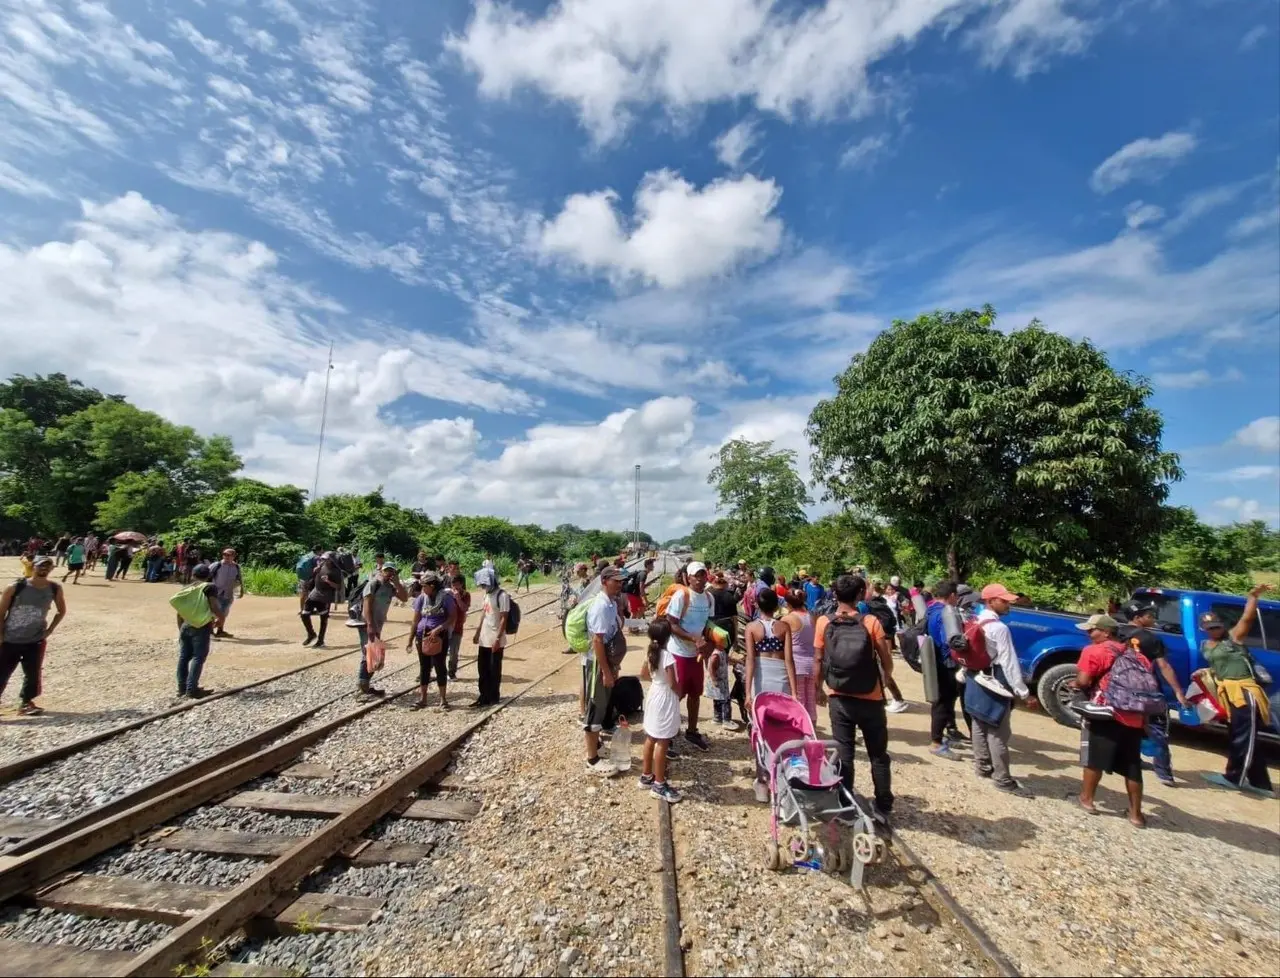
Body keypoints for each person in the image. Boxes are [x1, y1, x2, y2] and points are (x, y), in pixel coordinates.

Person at [812, 574, 894, 821]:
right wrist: (886, 678)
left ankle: (846, 807)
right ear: (859, 595)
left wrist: (818, 688)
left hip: (839, 696)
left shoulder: (824, 622)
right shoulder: (871, 622)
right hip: (871, 696)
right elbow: (885, 658)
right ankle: (883, 806)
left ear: (834, 595)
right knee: (878, 754)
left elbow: (818, 659)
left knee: (844, 752)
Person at [1074, 612, 1151, 826]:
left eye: (1092, 630)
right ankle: (1135, 814)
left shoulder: (1094, 651)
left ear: (1106, 632)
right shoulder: (1140, 657)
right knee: (1132, 766)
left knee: (1094, 759)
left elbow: (1083, 681)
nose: (1089, 634)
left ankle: (1087, 800)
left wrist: (1076, 685)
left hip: (1105, 712)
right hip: (1134, 715)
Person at [1202, 584, 1275, 794]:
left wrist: (1253, 597)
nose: (1215, 629)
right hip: (1229, 693)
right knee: (1243, 735)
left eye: (1217, 626)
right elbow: (1219, 668)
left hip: (1244, 691)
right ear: (1204, 629)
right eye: (1210, 627)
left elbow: (1247, 619)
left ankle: (1234, 777)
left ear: (1222, 625)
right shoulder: (1206, 646)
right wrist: (1205, 673)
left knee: (1243, 736)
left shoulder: (1233, 639)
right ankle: (1261, 784)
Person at [964, 583, 1034, 796]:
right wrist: (1023, 692)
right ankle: (1003, 778)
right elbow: (1009, 662)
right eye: (1003, 601)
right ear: (991, 601)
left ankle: (982, 766)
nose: (1008, 604)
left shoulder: (974, 621)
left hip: (974, 678)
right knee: (998, 732)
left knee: (978, 722)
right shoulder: (999, 628)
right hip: (995, 682)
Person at [1119, 600, 1190, 787]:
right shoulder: (1151, 639)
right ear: (1137, 618)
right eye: (1149, 615)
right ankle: (1164, 773)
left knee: (1127, 725)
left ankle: (1131, 760)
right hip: (1148, 691)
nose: (1153, 618)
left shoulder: (1116, 634)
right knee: (1157, 730)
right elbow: (1164, 666)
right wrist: (1178, 692)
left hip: (1121, 690)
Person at [0, 556, 67, 715]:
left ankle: (26, 703)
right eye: (40, 566)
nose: (43, 569)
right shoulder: (16, 587)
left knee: (33, 674)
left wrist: (50, 630)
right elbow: (1, 613)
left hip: (35, 640)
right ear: (33, 566)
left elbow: (61, 610)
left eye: (47, 566)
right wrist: (1, 636)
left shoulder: (54, 588)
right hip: (10, 639)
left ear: (52, 569)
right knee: (2, 672)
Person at [665, 561, 715, 752]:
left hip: (696, 654)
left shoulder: (709, 598)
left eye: (703, 574)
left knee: (695, 694)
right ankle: (666, 734)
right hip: (678, 652)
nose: (701, 579)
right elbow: (671, 624)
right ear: (689, 577)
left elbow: (710, 624)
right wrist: (693, 638)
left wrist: (710, 643)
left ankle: (692, 732)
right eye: (697, 575)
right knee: (676, 694)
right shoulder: (682, 596)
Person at [584, 564, 627, 775]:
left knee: (602, 705)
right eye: (615, 581)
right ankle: (591, 760)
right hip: (598, 663)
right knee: (595, 707)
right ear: (604, 581)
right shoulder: (600, 606)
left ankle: (598, 747)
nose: (619, 584)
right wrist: (606, 671)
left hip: (607, 663)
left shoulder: (611, 603)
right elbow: (598, 641)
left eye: (621, 581)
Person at [926, 580, 970, 759]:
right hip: (946, 664)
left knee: (945, 701)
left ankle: (945, 735)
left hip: (935, 662)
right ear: (952, 596)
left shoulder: (931, 610)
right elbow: (950, 642)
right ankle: (936, 743)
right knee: (942, 703)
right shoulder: (946, 614)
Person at [640, 618, 682, 802]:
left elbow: (643, 674)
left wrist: (658, 681)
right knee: (663, 740)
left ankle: (646, 775)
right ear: (669, 636)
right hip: (665, 696)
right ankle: (659, 783)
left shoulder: (650, 652)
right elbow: (673, 683)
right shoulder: (668, 656)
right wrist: (679, 693)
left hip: (654, 693)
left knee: (651, 736)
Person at [355, 563, 408, 697]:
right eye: (387, 571)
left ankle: (365, 684)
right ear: (382, 571)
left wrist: (397, 583)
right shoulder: (374, 584)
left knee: (373, 652)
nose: (389, 573)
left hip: (377, 624)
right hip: (367, 624)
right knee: (369, 651)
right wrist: (370, 625)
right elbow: (366, 605)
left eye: (392, 572)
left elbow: (404, 598)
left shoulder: (389, 587)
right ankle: (363, 686)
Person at [409, 572, 455, 710]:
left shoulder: (446, 598)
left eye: (425, 586)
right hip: (421, 635)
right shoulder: (422, 599)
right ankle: (423, 698)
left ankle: (443, 699)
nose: (422, 589)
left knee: (439, 665)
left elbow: (452, 618)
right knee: (424, 667)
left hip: (439, 636)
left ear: (432, 586)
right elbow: (415, 619)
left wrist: (438, 629)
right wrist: (410, 639)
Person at [744, 588, 797, 707]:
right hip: (781, 677)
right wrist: (794, 692)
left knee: (760, 718)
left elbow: (750, 660)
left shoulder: (751, 627)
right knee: (780, 717)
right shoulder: (784, 627)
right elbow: (789, 660)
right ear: (776, 606)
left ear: (757, 605)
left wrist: (747, 693)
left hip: (761, 678)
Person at [174, 564, 221, 698]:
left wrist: (181, 629)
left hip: (185, 625)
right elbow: (214, 607)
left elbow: (179, 613)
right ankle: (192, 689)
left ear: (193, 574)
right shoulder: (209, 587)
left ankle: (181, 688)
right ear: (208, 575)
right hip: (201, 626)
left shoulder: (187, 588)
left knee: (184, 657)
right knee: (198, 657)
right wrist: (221, 619)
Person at [471, 567, 510, 707]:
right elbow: (484, 613)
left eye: (484, 584)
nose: (483, 586)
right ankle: (483, 696)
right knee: (482, 669)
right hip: (484, 638)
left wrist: (498, 639)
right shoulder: (487, 594)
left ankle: (494, 697)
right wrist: (477, 632)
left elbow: (503, 619)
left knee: (494, 669)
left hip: (495, 639)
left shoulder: (502, 596)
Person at [782, 588, 818, 724]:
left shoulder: (788, 619)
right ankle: (811, 732)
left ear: (788, 604)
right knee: (811, 703)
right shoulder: (812, 617)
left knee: (798, 702)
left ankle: (800, 734)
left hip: (796, 665)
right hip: (812, 664)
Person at [301, 553, 344, 649]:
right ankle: (311, 634)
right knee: (304, 614)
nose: (323, 561)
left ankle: (321, 640)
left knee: (323, 619)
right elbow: (314, 576)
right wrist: (315, 570)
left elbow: (338, 586)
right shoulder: (321, 566)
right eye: (323, 559)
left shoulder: (336, 571)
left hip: (325, 596)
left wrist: (328, 581)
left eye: (326, 559)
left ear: (331, 560)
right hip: (315, 592)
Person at [209, 549, 244, 639]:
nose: (226, 556)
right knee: (212, 612)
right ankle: (210, 632)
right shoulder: (216, 565)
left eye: (229, 555)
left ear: (234, 556)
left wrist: (241, 590)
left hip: (228, 594)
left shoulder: (236, 567)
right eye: (224, 554)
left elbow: (239, 579)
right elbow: (207, 577)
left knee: (224, 613)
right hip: (215, 593)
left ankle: (220, 631)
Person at [448, 573, 471, 681]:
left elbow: (464, 608)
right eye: (453, 584)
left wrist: (458, 598)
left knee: (454, 652)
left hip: (457, 628)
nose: (455, 587)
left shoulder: (466, 595)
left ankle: (452, 672)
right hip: (445, 626)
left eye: (457, 584)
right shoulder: (447, 594)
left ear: (461, 584)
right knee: (438, 650)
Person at [297, 546, 322, 611]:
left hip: (302, 577)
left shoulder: (305, 556)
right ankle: (311, 609)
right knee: (313, 594)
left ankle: (302, 609)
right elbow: (318, 568)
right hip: (310, 578)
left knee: (303, 593)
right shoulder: (316, 558)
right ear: (318, 550)